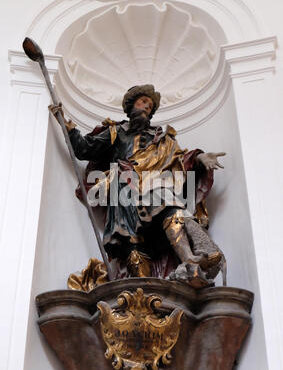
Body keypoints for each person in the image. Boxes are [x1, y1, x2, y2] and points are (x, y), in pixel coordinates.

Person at [49, 84, 226, 288]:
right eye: (143, 102)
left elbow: (179, 159)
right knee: (130, 241)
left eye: (150, 106)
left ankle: (188, 258)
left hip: (154, 187)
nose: (146, 108)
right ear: (131, 105)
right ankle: (140, 287)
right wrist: (66, 124)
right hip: (125, 187)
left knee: (172, 207)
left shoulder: (162, 139)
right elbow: (84, 149)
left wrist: (200, 157)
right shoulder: (116, 132)